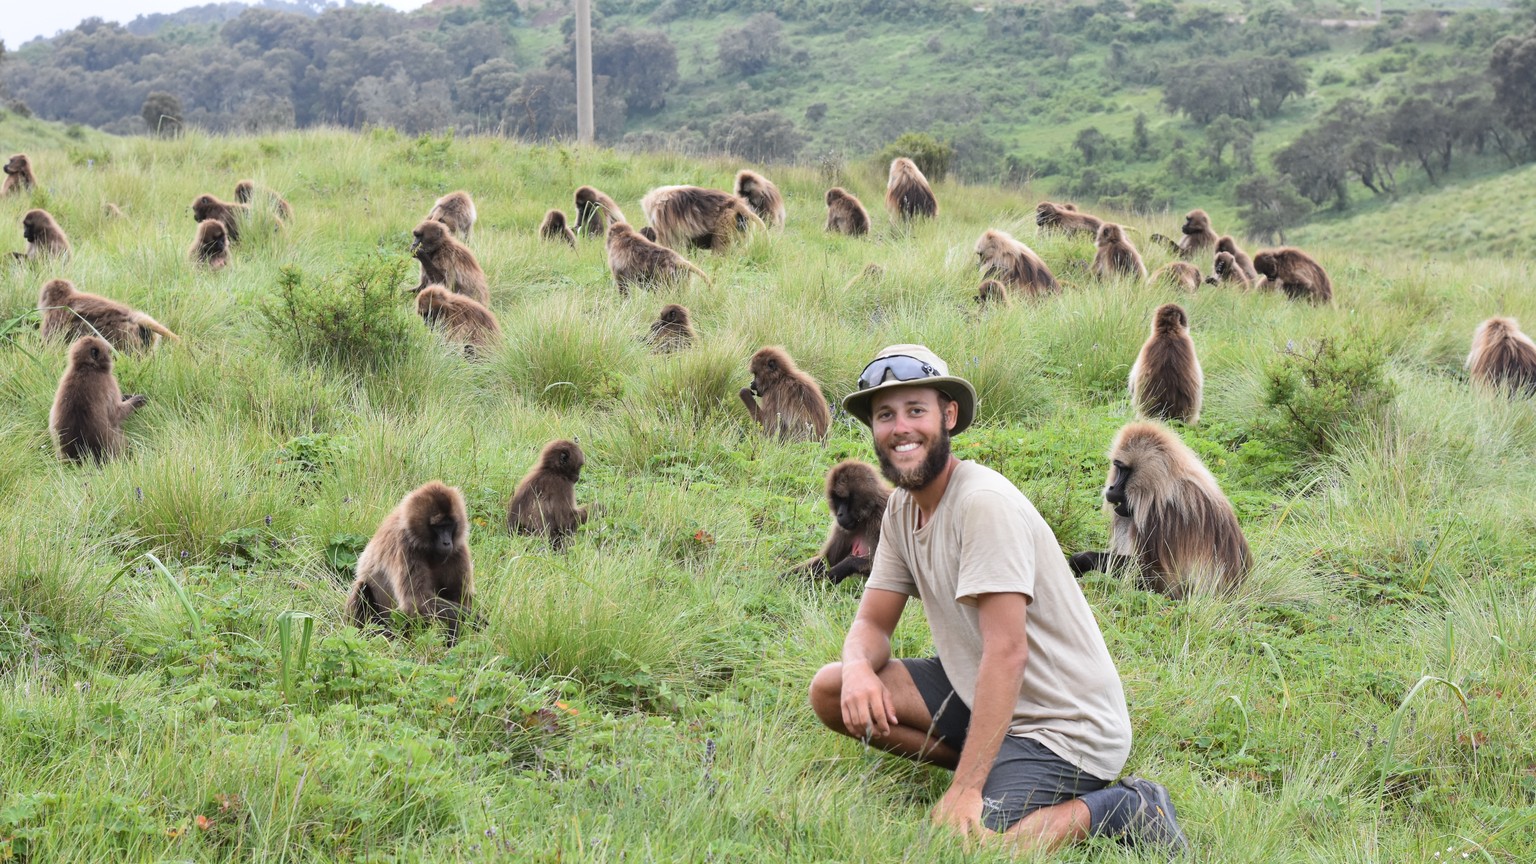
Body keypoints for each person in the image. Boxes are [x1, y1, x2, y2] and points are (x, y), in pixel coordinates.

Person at [808, 344, 1188, 855]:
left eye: (916, 410)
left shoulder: (981, 504)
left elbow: (1007, 652)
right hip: (980, 691)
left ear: (948, 416)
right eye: (885, 415)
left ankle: (1125, 807)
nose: (901, 428)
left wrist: (965, 791)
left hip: (1064, 724)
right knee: (831, 691)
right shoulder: (900, 508)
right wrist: (856, 667)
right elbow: (873, 625)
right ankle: (991, 766)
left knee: (978, 846)